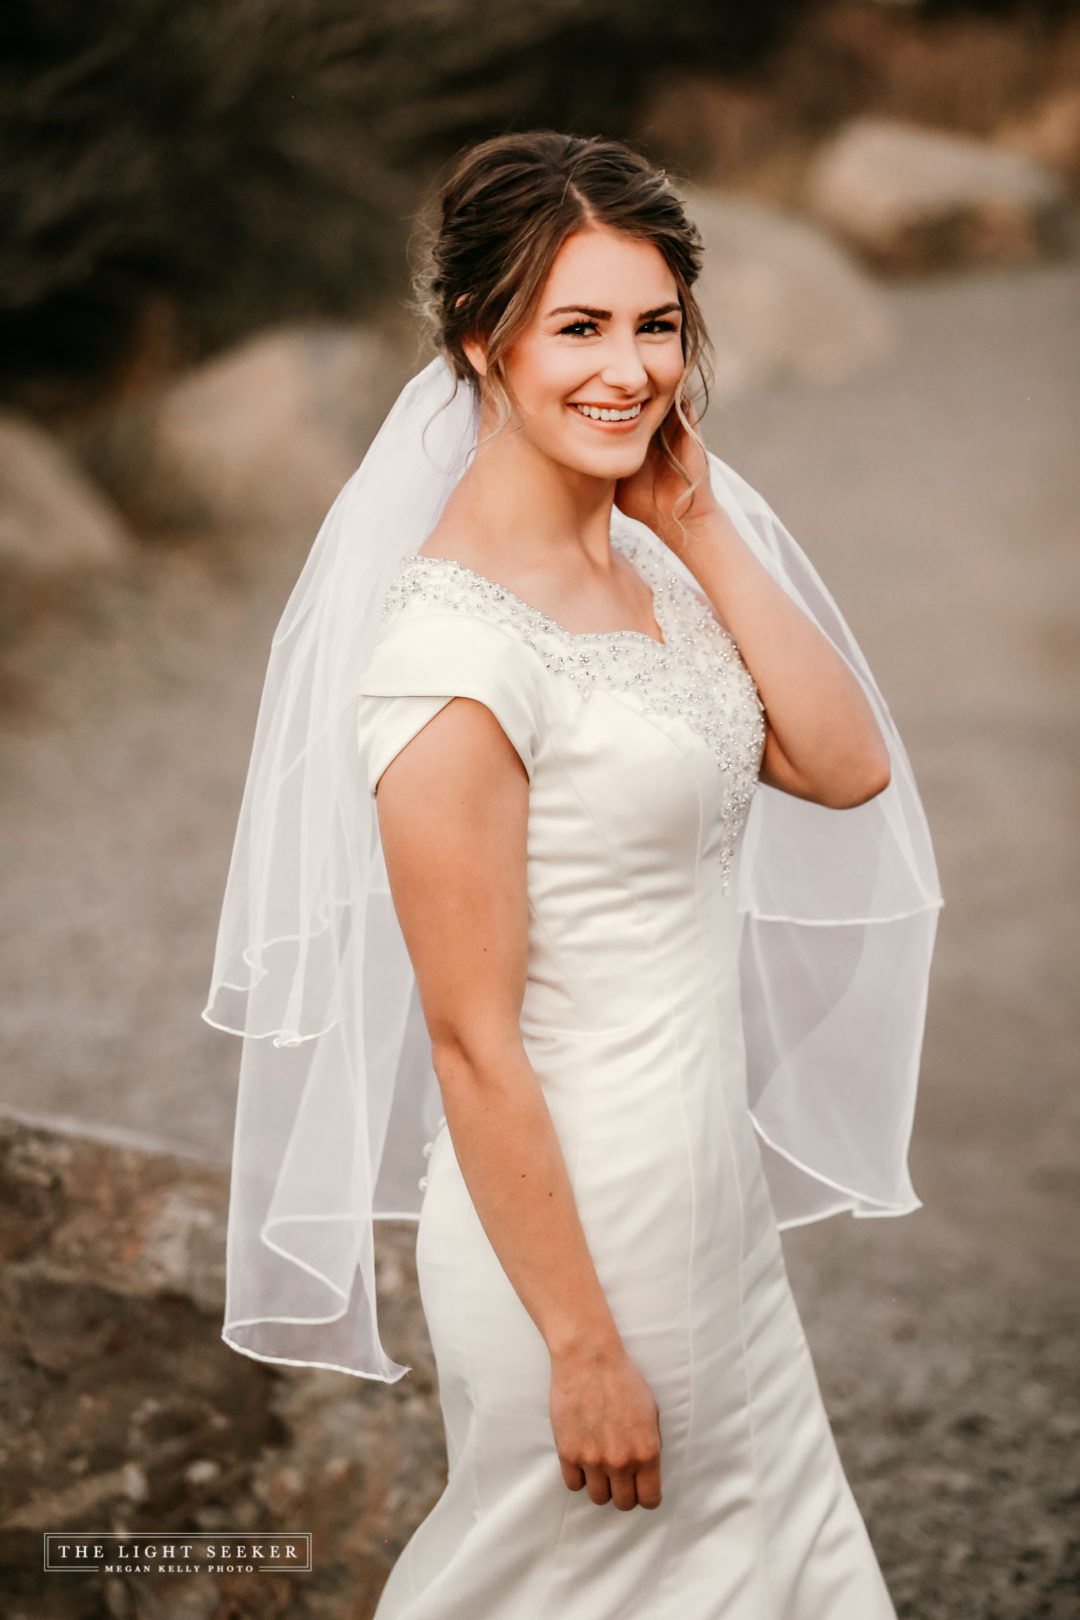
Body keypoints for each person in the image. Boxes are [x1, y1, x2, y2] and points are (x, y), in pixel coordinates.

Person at [205, 130, 942, 1619]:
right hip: (581, 1247)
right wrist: (584, 1345)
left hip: (708, 1212)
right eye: (580, 327)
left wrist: (700, 522)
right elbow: (474, 1045)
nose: (630, 370)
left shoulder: (650, 562)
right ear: (484, 343)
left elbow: (846, 763)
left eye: (657, 324)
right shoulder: (449, 661)